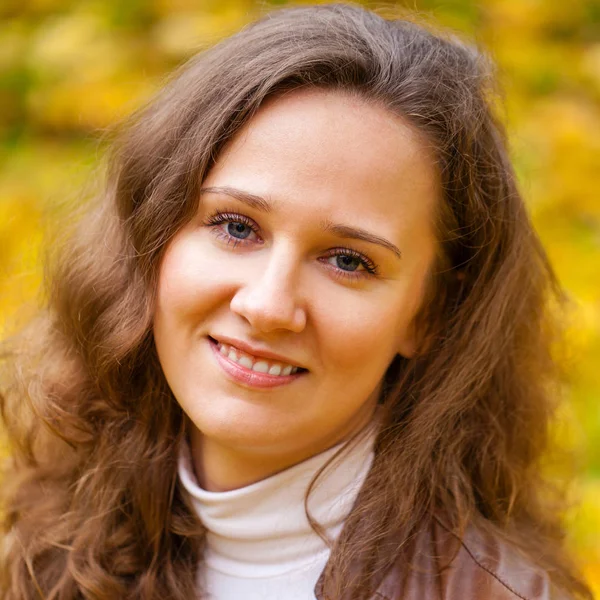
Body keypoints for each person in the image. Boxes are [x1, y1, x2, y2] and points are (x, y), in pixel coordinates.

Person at [0, 3, 593, 599]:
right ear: (153, 234)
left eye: (348, 261)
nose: (268, 305)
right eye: (236, 226)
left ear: (429, 314)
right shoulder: (40, 533)